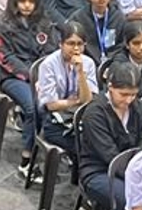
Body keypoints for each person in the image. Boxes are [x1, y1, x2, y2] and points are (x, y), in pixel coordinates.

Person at [0, 0, 57, 168]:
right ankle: (27, 158)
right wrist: (30, 75)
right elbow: (5, 57)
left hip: (42, 76)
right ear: (15, 2)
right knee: (32, 107)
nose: (27, 5)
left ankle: (48, 146)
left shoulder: (45, 23)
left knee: (53, 103)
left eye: (31, 1)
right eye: (22, 1)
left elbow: (50, 51)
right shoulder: (2, 25)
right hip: (12, 78)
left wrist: (42, 76)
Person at [76, 60, 142, 210]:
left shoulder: (139, 107)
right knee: (134, 201)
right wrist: (138, 178)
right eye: (123, 94)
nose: (129, 100)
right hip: (99, 171)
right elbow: (109, 155)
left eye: (133, 94)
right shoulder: (95, 114)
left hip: (134, 168)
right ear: (110, 87)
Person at [36, 20, 97, 154]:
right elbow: (51, 105)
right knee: (83, 145)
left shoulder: (88, 63)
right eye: (71, 43)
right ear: (61, 44)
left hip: (78, 115)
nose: (76, 49)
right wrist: (76, 101)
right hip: (53, 119)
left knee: (96, 138)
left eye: (80, 44)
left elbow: (87, 100)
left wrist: (80, 72)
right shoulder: (48, 65)